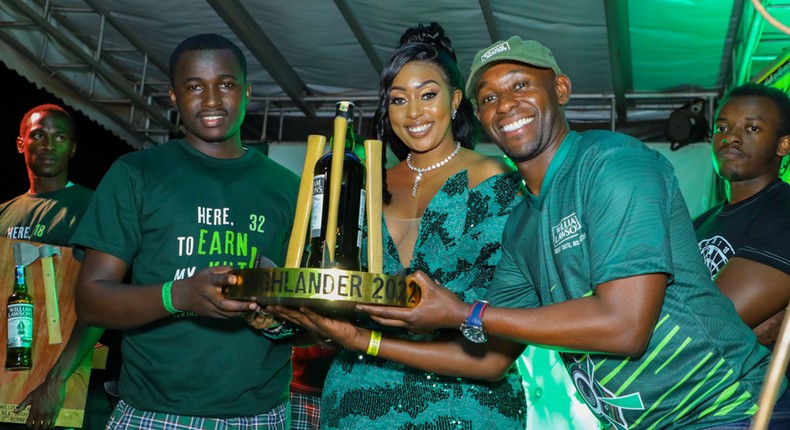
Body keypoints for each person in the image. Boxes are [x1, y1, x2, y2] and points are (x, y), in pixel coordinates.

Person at [274, 36, 778, 429]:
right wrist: (361, 339)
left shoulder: (612, 164)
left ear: (560, 89)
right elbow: (491, 359)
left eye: (520, 86)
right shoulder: (522, 224)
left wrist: (462, 310)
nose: (505, 105)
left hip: (729, 409)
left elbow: (625, 327)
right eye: (489, 96)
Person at [293, 23, 527, 430]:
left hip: (464, 404)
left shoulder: (495, 180)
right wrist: (311, 320)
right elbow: (340, 300)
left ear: (455, 101)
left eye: (428, 95)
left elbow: (501, 320)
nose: (414, 112)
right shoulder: (366, 183)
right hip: (354, 401)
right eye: (399, 99)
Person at [71, 33, 300, 429]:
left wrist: (277, 318)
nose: (211, 100)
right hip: (155, 414)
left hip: (260, 416)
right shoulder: (136, 173)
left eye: (226, 84)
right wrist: (180, 294)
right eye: (194, 87)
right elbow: (92, 299)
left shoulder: (288, 187)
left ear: (247, 91)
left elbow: (308, 316)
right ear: (173, 96)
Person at [0, 104, 106, 430]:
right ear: (21, 143)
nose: (49, 145)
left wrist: (57, 380)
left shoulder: (92, 207)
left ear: (73, 148)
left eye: (59, 137)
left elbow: (101, 302)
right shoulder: (3, 213)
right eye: (38, 135)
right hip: (6, 388)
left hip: (62, 389)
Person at [693, 83, 790, 425]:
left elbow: (712, 324)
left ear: (784, 144)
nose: (730, 138)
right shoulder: (699, 224)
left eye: (752, 128)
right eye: (722, 127)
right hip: (699, 401)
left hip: (760, 407)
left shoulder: (783, 210)